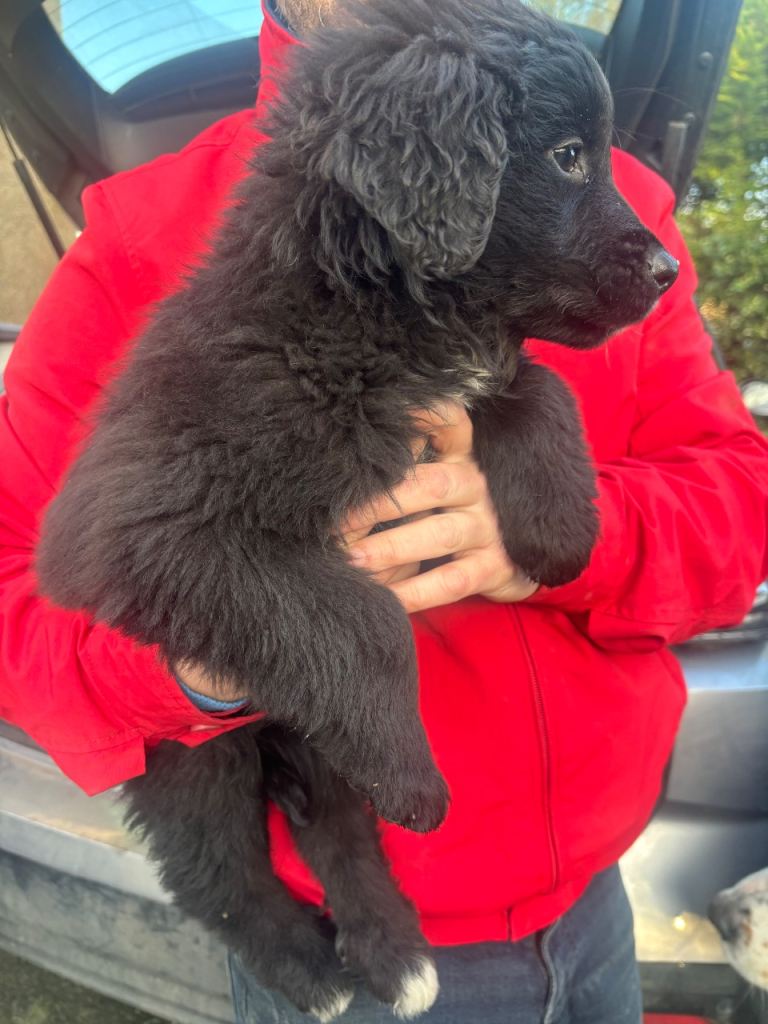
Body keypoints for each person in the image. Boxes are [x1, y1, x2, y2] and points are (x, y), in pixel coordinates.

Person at [1, 1, 767, 1021]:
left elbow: (740, 502)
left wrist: (582, 537)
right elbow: (23, 603)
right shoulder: (141, 236)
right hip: (350, 925)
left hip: (598, 908)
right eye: (570, 161)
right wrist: (211, 662)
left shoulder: (614, 203)